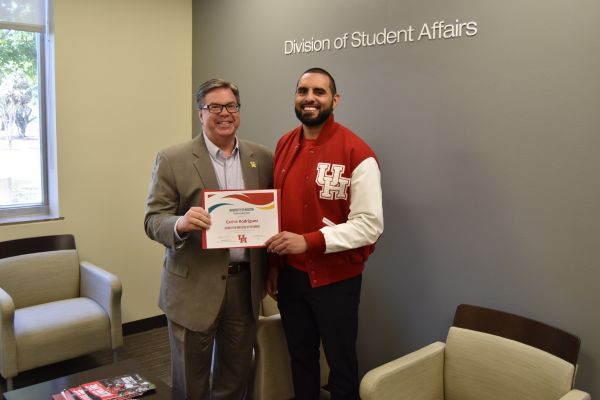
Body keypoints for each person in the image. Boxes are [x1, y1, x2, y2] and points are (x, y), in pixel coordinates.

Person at [144, 78, 273, 400]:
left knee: (235, 373)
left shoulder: (262, 157)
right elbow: (152, 220)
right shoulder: (172, 159)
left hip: (243, 286)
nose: (224, 113)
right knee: (191, 378)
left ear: (239, 112)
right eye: (214, 107)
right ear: (200, 114)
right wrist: (181, 223)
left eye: (230, 106)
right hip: (193, 287)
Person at [265, 68, 384, 400]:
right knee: (301, 358)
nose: (309, 98)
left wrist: (309, 241)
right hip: (291, 278)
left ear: (335, 99)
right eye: (303, 91)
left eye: (319, 91)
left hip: (336, 282)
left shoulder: (357, 153)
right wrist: (274, 263)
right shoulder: (284, 144)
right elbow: (278, 210)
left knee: (341, 366)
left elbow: (369, 225)